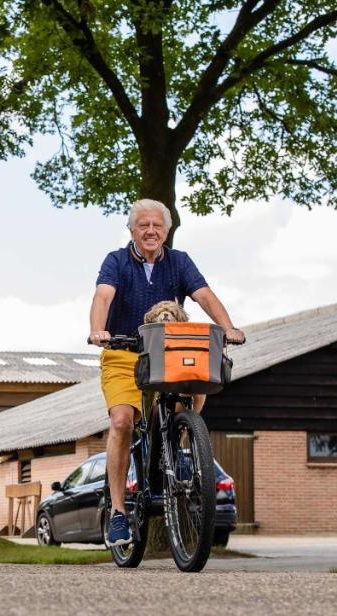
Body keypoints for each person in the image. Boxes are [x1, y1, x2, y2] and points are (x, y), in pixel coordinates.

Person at [88, 199, 245, 547]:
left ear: (167, 230)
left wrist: (228, 327)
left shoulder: (179, 262)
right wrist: (99, 330)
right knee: (122, 422)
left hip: (166, 353)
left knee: (196, 385)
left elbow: (204, 295)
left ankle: (177, 444)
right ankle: (117, 513)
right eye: (143, 225)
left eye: (157, 226)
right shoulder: (116, 261)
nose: (150, 231)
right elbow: (102, 297)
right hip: (123, 353)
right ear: (132, 230)